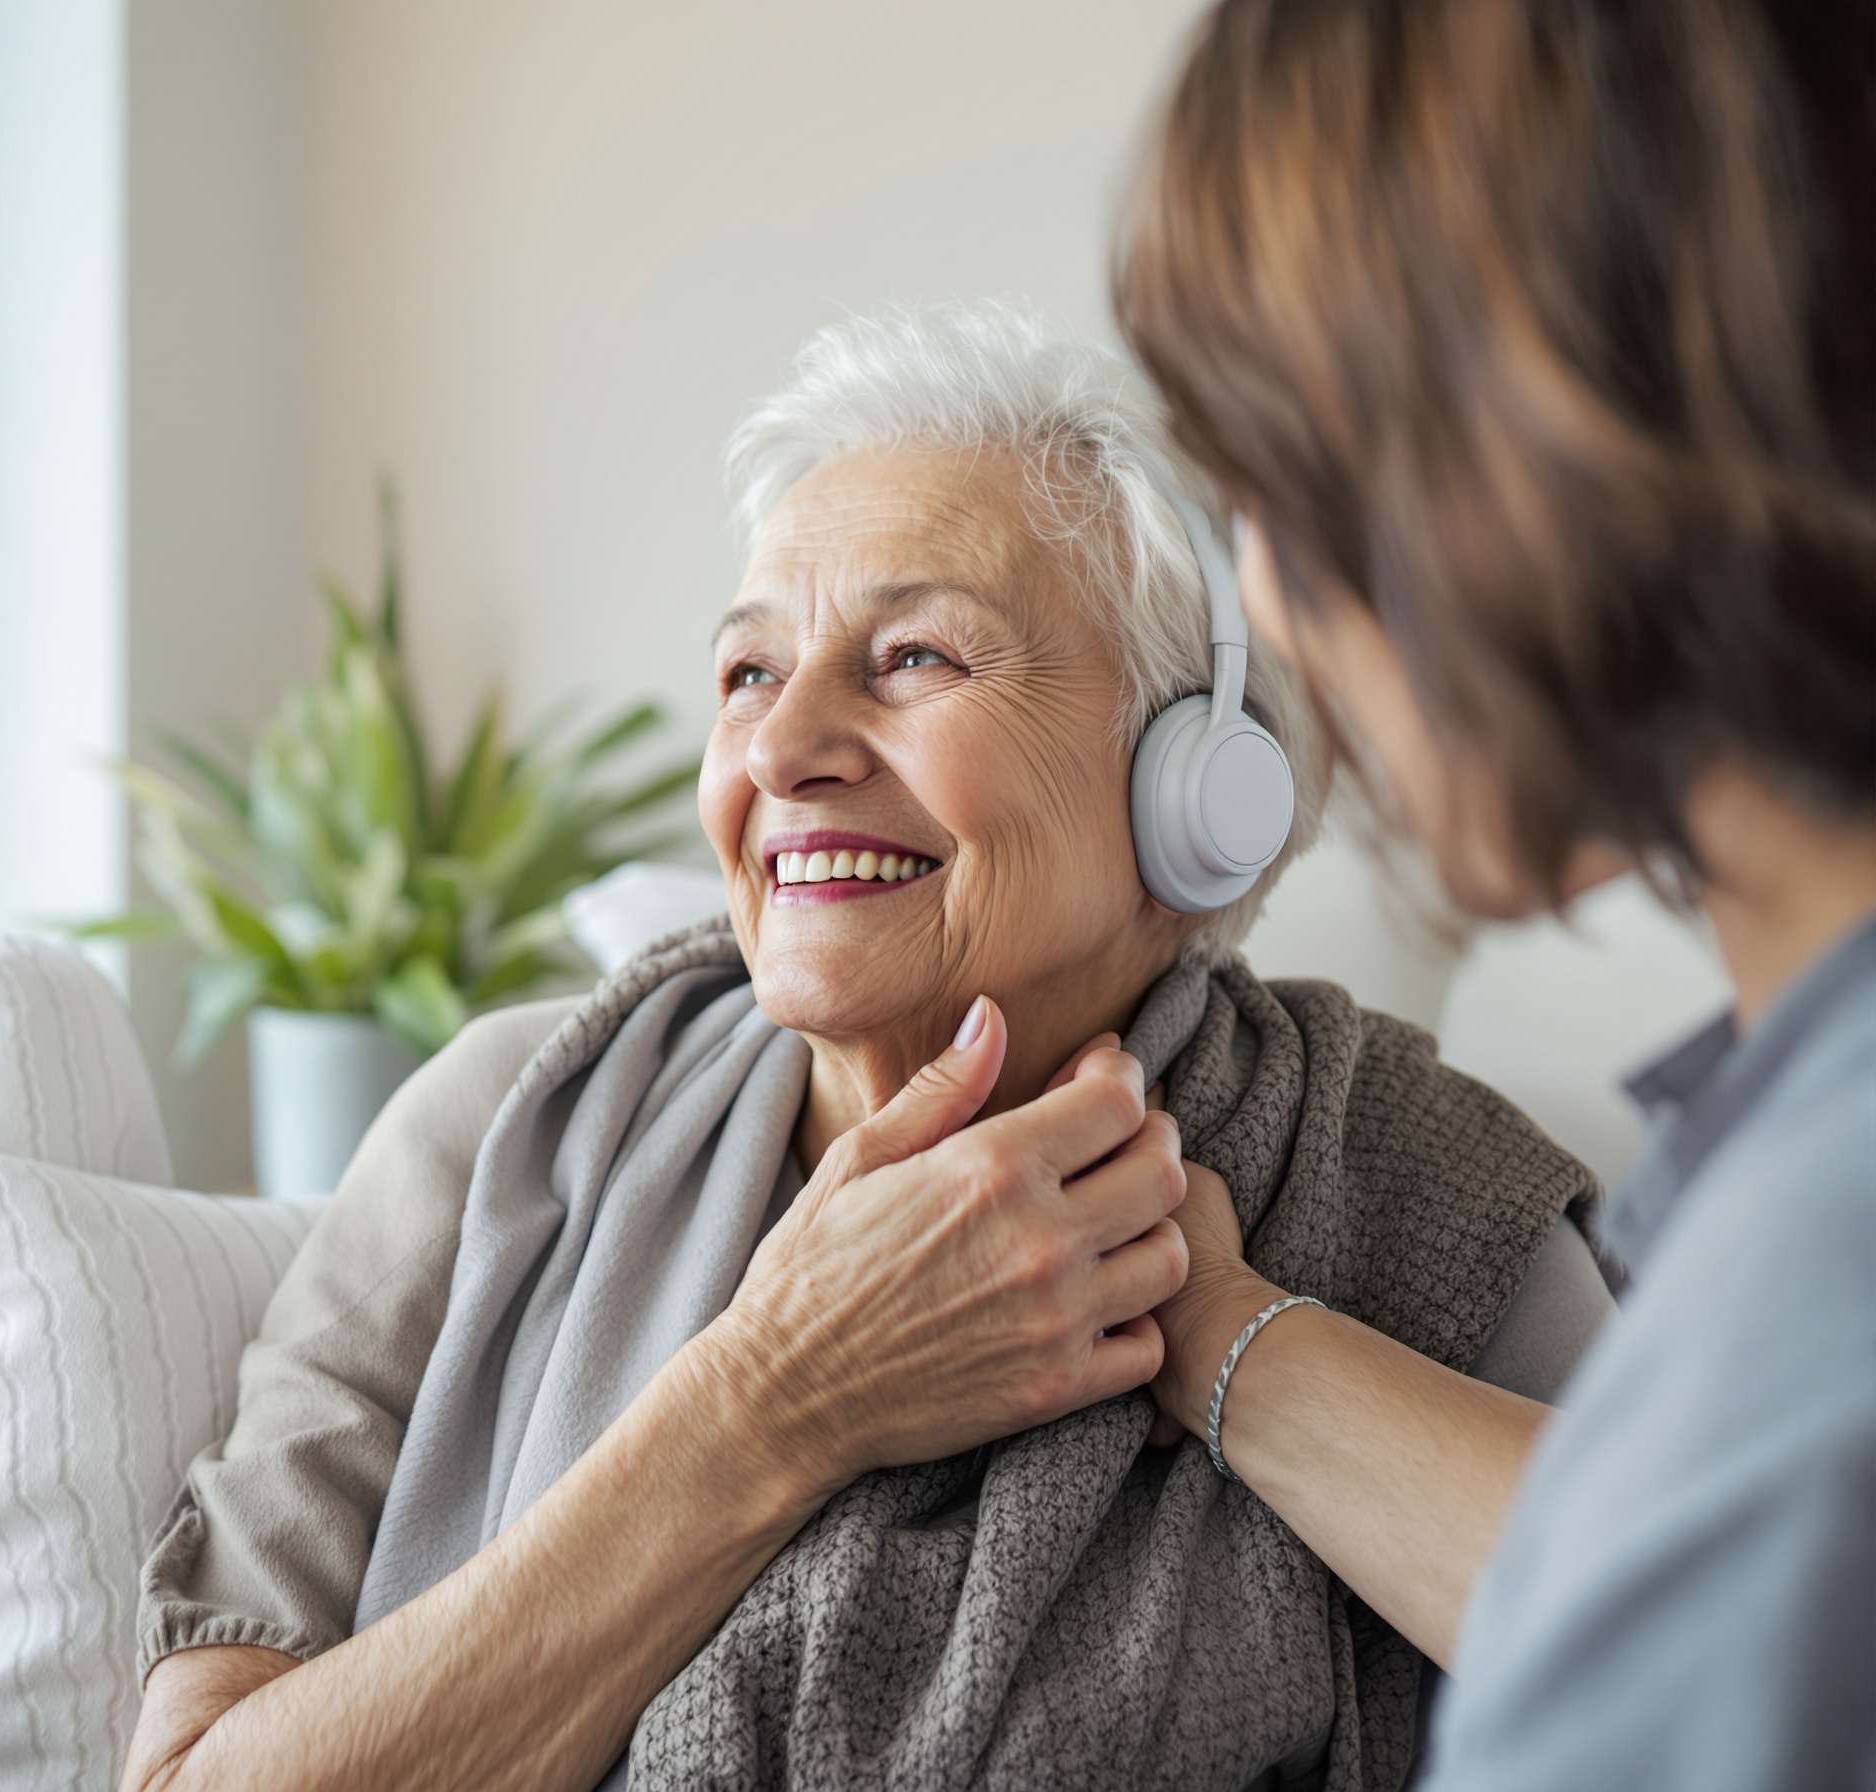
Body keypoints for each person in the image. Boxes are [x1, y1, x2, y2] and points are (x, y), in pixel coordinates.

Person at [120, 306, 1612, 1792]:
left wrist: (1215, 1329)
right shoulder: (500, 1126)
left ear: (1196, 792)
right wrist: (780, 1393)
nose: (781, 752)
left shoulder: (1413, 1178)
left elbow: (1738, 1662)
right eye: (750, 674)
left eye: (913, 658)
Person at [1111, 0, 1874, 1785]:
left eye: (1268, 492)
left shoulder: (1799, 1304)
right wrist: (1216, 1328)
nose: (1276, 620)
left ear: (1500, 456)